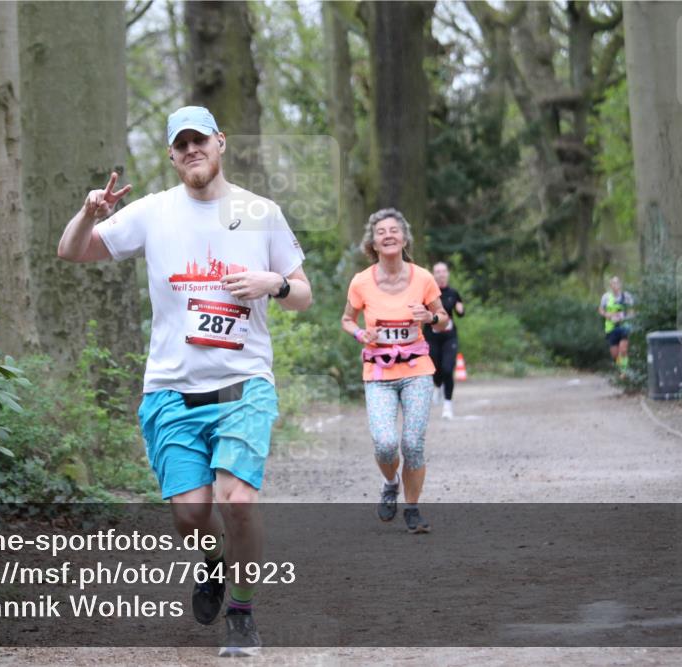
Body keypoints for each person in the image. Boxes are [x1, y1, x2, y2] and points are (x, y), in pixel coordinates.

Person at [57, 106, 311, 657]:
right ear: (172, 156)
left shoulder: (261, 212)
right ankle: (215, 560)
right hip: (171, 389)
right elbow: (72, 251)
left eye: (201, 140)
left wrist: (273, 283)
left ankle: (241, 612)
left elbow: (303, 293)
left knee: (237, 500)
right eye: (181, 144)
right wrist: (87, 214)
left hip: (243, 383)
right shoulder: (153, 212)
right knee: (191, 515)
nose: (193, 150)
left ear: (221, 142)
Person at [340, 208, 449, 533]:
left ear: (404, 238)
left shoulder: (423, 278)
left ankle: (412, 508)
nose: (388, 235)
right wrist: (361, 334)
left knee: (413, 444)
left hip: (417, 370)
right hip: (378, 374)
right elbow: (347, 320)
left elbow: (443, 319)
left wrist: (429, 317)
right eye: (381, 232)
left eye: (394, 230)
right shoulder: (361, 282)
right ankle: (390, 483)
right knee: (385, 443)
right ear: (372, 243)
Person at [423, 262, 464, 420]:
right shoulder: (427, 294)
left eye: (443, 271)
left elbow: (460, 312)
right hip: (431, 336)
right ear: (433, 274)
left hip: (449, 336)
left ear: (447, 273)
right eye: (437, 271)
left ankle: (447, 405)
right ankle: (437, 385)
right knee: (434, 369)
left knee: (448, 368)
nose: (441, 274)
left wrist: (460, 309)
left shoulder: (453, 293)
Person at [598, 276, 634, 372]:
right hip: (611, 328)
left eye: (617, 283)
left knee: (623, 350)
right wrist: (607, 315)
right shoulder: (606, 297)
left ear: (620, 284)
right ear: (610, 285)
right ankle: (621, 369)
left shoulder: (626, 296)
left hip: (624, 326)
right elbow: (600, 310)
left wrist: (624, 316)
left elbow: (632, 311)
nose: (615, 285)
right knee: (615, 354)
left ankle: (624, 372)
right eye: (613, 283)